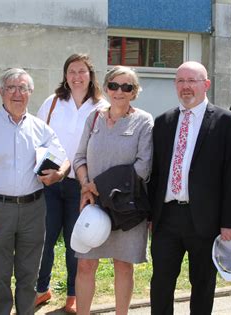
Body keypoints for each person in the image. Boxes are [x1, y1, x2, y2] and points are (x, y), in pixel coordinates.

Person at [0, 68, 68, 314]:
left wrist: (59, 174)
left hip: (34, 209)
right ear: (1, 92)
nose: (17, 93)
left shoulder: (41, 128)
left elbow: (64, 159)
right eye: (11, 87)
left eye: (23, 88)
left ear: (30, 93)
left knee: (29, 276)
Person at [148, 61, 231, 314]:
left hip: (205, 219)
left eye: (192, 81)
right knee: (161, 283)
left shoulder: (225, 121)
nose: (186, 87)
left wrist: (229, 222)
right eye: (181, 81)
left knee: (202, 283)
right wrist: (150, 216)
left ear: (206, 84)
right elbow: (155, 173)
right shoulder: (163, 121)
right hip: (166, 217)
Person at [73, 65, 153, 315]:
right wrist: (86, 184)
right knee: (85, 264)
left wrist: (100, 185)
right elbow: (79, 158)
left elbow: (143, 167)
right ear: (106, 88)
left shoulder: (143, 121)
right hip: (94, 206)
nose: (120, 91)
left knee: (123, 266)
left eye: (127, 86)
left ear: (134, 91)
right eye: (114, 85)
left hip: (126, 208)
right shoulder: (94, 117)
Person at [35, 53, 108, 313]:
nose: (76, 77)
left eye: (81, 71)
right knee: (44, 238)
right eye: (71, 72)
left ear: (90, 75)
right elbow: (37, 137)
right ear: (65, 76)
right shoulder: (53, 102)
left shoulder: (102, 107)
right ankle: (41, 290)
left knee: (75, 242)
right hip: (51, 182)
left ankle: (73, 295)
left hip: (82, 183)